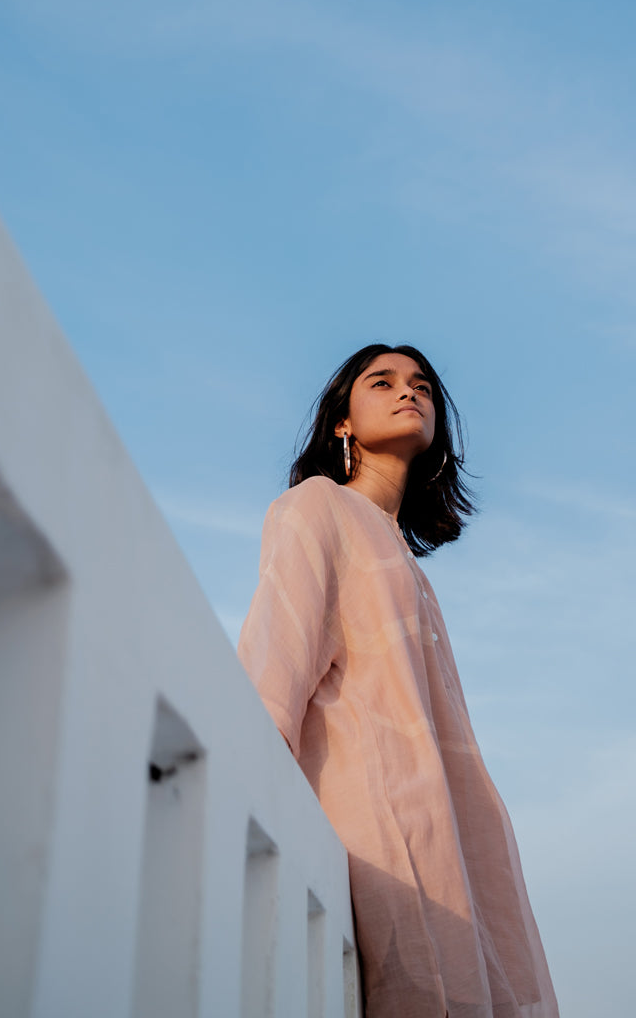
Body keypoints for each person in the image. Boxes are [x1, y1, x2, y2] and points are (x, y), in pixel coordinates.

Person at [238, 343, 559, 1018]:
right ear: (342, 423)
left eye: (423, 387)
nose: (408, 392)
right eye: (381, 382)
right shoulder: (317, 508)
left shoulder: (409, 563)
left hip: (457, 845)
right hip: (380, 839)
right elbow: (274, 671)